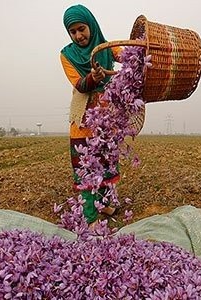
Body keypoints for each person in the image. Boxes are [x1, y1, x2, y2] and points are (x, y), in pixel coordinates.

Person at [60, 4, 122, 225]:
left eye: (81, 29)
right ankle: (90, 217)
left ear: (91, 25)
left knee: (106, 165)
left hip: (107, 121)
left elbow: (125, 54)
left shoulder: (106, 47)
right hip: (84, 122)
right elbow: (79, 84)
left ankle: (105, 206)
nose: (78, 35)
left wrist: (138, 56)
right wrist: (93, 79)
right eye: (73, 31)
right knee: (87, 168)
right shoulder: (67, 55)